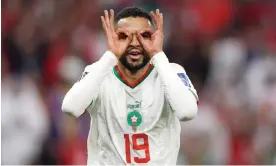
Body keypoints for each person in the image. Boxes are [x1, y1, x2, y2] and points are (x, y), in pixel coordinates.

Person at [62, 6, 198, 165]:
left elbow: (187, 112)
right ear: (113, 38)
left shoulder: (170, 72)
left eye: (144, 36)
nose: (134, 42)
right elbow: (71, 108)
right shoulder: (98, 73)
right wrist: (110, 56)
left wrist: (158, 55)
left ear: (155, 37)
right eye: (123, 36)